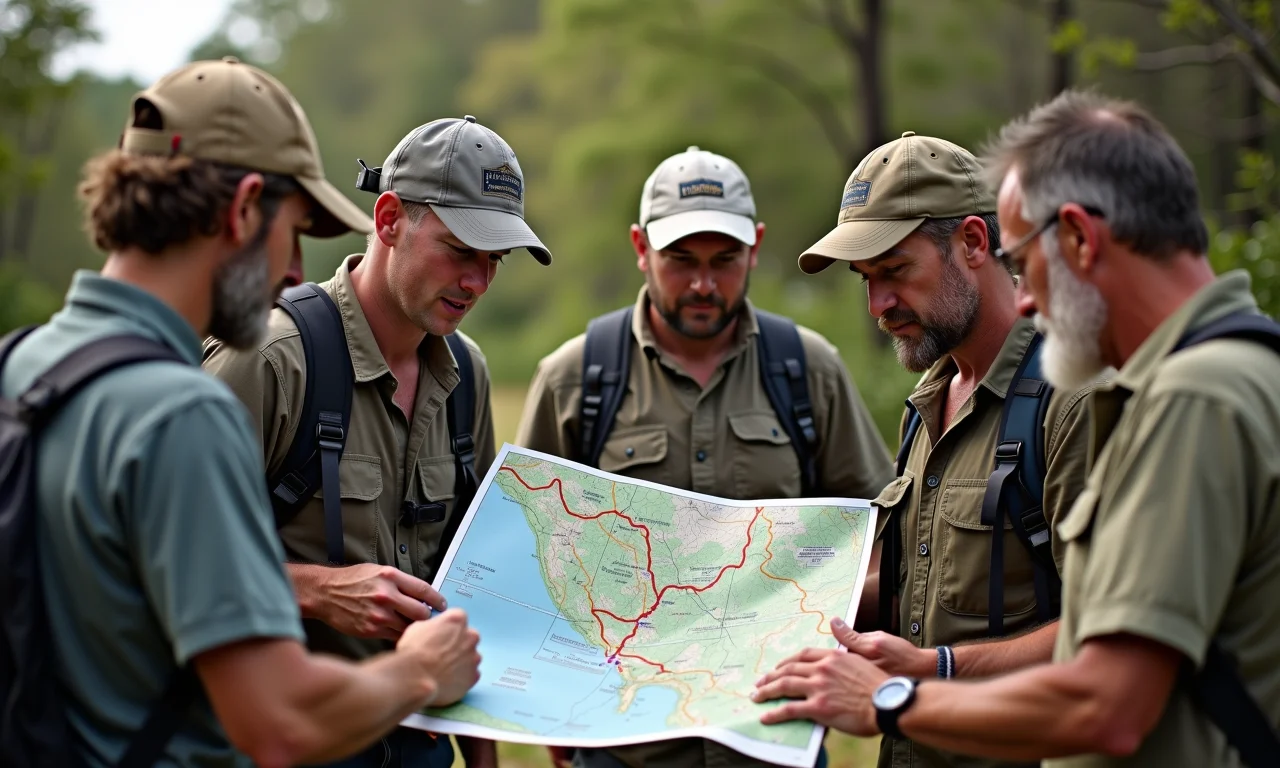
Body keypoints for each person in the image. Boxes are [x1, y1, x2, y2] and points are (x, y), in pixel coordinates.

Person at [753, 90, 1280, 767]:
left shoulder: (1191, 397)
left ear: (1079, 239)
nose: (1026, 296)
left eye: (1026, 260)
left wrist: (895, 697)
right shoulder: (1227, 372)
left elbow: (1107, 700)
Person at [0, 58, 482, 768]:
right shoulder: (179, 414)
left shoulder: (21, 365)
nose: (294, 272)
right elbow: (279, 722)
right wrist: (422, 672)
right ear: (244, 206)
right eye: (294, 230)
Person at [516, 145, 894, 768]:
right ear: (640, 248)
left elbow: (876, 528)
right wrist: (546, 691)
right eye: (680, 261)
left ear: (757, 246)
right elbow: (528, 551)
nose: (702, 284)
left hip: (773, 735)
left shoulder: (807, 369)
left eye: (725, 261)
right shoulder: (575, 378)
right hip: (622, 743)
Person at [204, 114, 551, 768]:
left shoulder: (467, 375)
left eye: (494, 260)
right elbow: (158, 571)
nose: (477, 282)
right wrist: (312, 589)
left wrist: (482, 760)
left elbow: (468, 594)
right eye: (459, 250)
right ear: (389, 220)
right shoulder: (271, 359)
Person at [789, 130, 1100, 768]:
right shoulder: (928, 404)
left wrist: (937, 669)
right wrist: (754, 599)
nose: (879, 305)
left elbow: (1107, 637)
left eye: (896, 271)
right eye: (865, 280)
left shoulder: (1075, 399)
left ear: (974, 243)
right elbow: (922, 591)